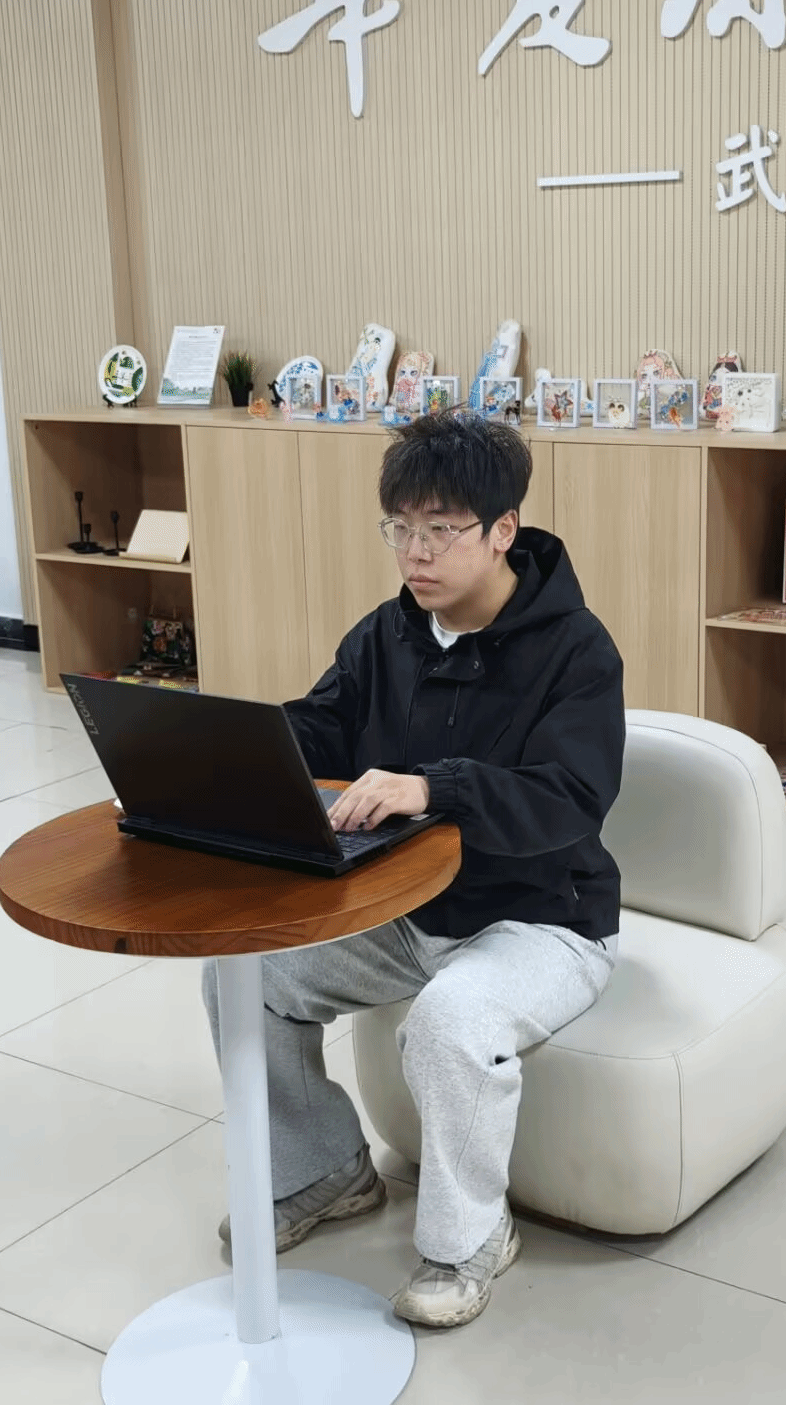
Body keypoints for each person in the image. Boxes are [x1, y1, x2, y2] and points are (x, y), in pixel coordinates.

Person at [201, 409, 625, 1330]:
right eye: (399, 528)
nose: (415, 554)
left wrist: (434, 787)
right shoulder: (384, 635)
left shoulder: (577, 651)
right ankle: (325, 1170)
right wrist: (242, 749)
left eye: (440, 530)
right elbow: (322, 729)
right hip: (409, 910)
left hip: (543, 918)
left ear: (503, 530)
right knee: (246, 974)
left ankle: (471, 1239)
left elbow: (570, 800)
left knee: (450, 1021)